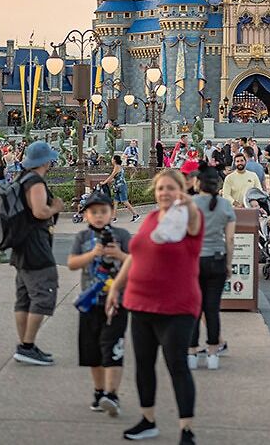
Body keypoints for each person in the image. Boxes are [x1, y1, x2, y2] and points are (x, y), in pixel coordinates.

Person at [105, 168, 202, 443]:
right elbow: (135, 256)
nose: (164, 193)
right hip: (140, 302)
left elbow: (194, 225)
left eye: (171, 188)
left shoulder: (188, 219)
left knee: (177, 365)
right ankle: (148, 420)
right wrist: (116, 288)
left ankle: (186, 429)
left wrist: (189, 204)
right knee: (144, 365)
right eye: (160, 188)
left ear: (180, 190)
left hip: (176, 306)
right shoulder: (150, 219)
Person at [67, 190, 131, 416]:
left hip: (116, 303)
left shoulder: (122, 236)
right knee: (92, 351)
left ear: (112, 212)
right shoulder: (82, 238)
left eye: (103, 211)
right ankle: (99, 390)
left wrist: (121, 255)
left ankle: (112, 394)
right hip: (90, 302)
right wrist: (92, 254)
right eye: (93, 212)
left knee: (113, 348)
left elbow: (137, 264)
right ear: (86, 215)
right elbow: (73, 263)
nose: (98, 216)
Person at [10, 140, 64, 366]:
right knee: (42, 294)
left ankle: (24, 345)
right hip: (35, 247)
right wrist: (56, 208)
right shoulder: (35, 181)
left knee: (24, 298)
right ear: (44, 161)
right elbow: (40, 211)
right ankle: (28, 346)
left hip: (21, 245)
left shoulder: (21, 179)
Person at [189, 164, 235, 370]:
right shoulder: (225, 205)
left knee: (194, 309)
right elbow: (231, 239)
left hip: (194, 260)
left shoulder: (191, 204)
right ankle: (213, 353)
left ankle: (191, 352)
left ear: (199, 183)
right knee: (212, 308)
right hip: (217, 259)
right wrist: (228, 264)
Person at [104, 154, 140, 222]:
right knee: (115, 201)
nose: (111, 160)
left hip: (121, 186)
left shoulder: (117, 167)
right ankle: (114, 217)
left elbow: (112, 176)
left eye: (112, 159)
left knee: (124, 201)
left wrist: (104, 182)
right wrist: (109, 181)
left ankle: (136, 214)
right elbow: (116, 177)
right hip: (118, 186)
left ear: (114, 160)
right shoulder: (118, 166)